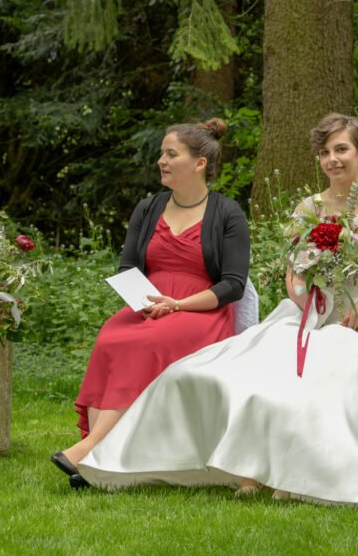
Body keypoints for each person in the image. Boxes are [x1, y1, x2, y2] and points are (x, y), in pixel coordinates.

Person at [76, 113, 358, 506]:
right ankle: (246, 469)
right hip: (306, 315)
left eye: (341, 150)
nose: (332, 160)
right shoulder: (309, 207)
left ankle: (298, 472)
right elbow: (293, 273)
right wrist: (302, 296)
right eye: (324, 152)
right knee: (241, 376)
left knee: (319, 381)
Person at [50, 118, 250, 487]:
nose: (162, 160)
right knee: (112, 336)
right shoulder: (149, 208)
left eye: (171, 154)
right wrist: (144, 303)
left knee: (148, 342)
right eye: (162, 153)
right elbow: (129, 266)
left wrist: (179, 305)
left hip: (199, 310)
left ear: (199, 163)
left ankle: (92, 450)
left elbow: (233, 285)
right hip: (147, 304)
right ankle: (100, 462)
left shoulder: (227, 213)